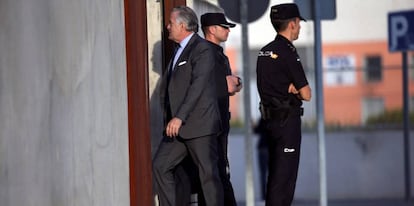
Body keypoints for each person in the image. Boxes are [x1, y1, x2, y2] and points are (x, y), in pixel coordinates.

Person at [152, 6, 223, 206]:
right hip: (178, 129)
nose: (167, 27)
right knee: (160, 166)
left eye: (171, 23)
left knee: (208, 178)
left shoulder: (202, 49)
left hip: (199, 125)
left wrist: (179, 117)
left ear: (182, 25)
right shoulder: (178, 50)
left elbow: (197, 87)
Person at [256, 3, 311, 206]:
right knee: (285, 180)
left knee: (275, 177)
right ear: (292, 24)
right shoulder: (288, 52)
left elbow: (266, 86)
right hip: (287, 123)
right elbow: (307, 94)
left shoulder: (264, 52)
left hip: (270, 124)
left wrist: (290, 86)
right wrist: (295, 88)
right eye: (298, 23)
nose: (300, 28)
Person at [200, 12, 242, 206]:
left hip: (220, 122)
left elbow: (232, 84)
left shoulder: (218, 53)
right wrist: (226, 84)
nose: (227, 30)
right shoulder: (204, 53)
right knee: (216, 175)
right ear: (211, 29)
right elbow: (200, 86)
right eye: (224, 27)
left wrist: (235, 83)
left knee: (220, 172)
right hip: (209, 125)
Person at [253, 117, 269, 201]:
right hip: (272, 148)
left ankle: (264, 196)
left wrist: (253, 125)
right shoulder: (276, 117)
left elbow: (256, 131)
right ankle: (271, 194)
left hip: (263, 148)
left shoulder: (263, 118)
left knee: (263, 174)